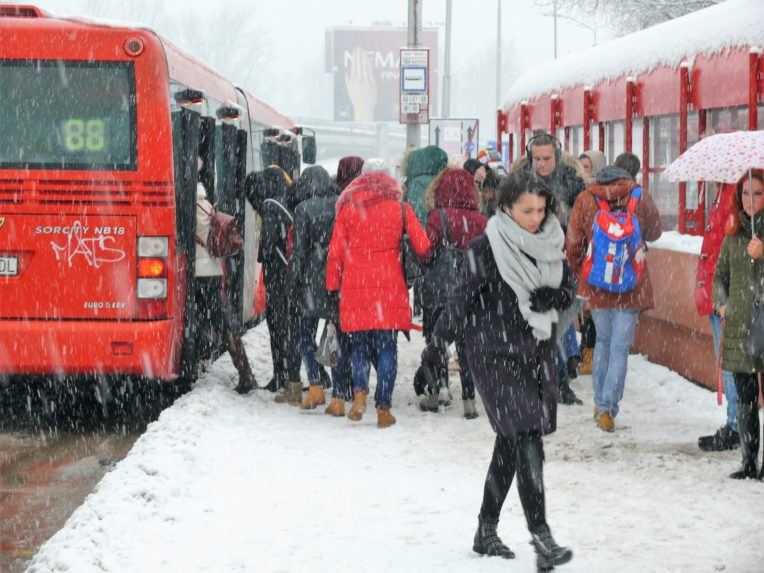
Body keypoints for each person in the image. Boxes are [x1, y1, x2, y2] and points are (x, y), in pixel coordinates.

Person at [422, 170, 574, 571]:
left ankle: (485, 529)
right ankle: (542, 536)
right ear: (506, 207)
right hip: (492, 353)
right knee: (525, 435)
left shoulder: (551, 242)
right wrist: (435, 347)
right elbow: (459, 300)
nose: (536, 218)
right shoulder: (485, 247)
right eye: (527, 210)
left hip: (534, 353)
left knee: (513, 442)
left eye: (541, 210)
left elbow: (570, 289)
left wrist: (555, 294)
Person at [326, 172, 431, 428]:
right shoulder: (401, 209)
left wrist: (332, 285)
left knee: (358, 347)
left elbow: (335, 252)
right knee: (386, 349)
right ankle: (383, 408)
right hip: (389, 288)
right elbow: (424, 245)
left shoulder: (349, 209)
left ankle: (359, 393)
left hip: (355, 287)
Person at [566, 166, 662, 432]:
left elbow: (573, 244)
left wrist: (581, 273)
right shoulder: (639, 195)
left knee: (603, 343)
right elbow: (655, 232)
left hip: (598, 283)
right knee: (620, 347)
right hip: (632, 282)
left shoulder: (586, 198)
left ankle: (600, 404)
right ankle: (610, 407)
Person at [522, 133, 586, 405]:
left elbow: (584, 216)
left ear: (555, 156)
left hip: (560, 262)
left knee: (557, 324)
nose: (541, 164)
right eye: (537, 159)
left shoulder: (570, 182)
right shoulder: (519, 183)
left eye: (546, 158)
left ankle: (559, 380)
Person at [418, 168, 487, 418]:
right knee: (467, 346)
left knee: (437, 342)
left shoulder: (438, 216)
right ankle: (469, 400)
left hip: (440, 290)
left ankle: (437, 391)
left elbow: (426, 252)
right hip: (470, 291)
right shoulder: (481, 220)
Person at [713, 170, 764, 479]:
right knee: (745, 399)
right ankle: (748, 460)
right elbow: (721, 275)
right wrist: (722, 301)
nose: (751, 200)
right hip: (739, 327)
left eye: (757, 193)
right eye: (745, 194)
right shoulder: (733, 235)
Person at [195, 161, 256, 394]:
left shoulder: (193, 206)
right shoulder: (207, 205)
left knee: (219, 322)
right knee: (222, 321)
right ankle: (243, 369)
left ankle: (245, 373)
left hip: (201, 272)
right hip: (212, 269)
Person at [288, 166, 339, 410]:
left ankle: (316, 386)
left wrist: (294, 280)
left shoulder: (302, 210)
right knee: (337, 334)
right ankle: (340, 391)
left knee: (305, 335)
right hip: (336, 279)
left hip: (310, 281)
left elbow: (299, 252)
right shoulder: (341, 205)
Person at [695, 182, 739, 451]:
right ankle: (736, 425)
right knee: (730, 365)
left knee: (731, 365)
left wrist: (719, 296)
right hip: (719, 294)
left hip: (727, 298)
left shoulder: (734, 196)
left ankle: (736, 427)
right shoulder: (726, 193)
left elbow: (724, 251)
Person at [258, 166, 303, 404]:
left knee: (277, 326)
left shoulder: (270, 205)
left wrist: (263, 256)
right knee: (290, 326)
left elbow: (268, 243)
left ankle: (281, 375)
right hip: (289, 274)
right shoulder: (287, 200)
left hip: (277, 276)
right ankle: (292, 373)